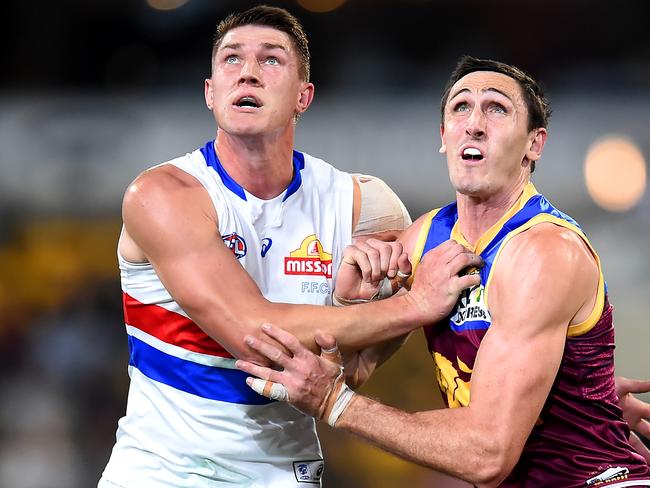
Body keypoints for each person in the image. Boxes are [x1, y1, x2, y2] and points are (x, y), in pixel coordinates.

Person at [97, 6, 484, 488]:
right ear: (210, 92)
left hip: (287, 471)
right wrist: (414, 304)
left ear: (304, 96)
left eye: (271, 60)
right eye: (232, 60)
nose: (249, 73)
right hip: (166, 472)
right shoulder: (162, 195)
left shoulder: (365, 206)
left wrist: (351, 316)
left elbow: (352, 369)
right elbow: (253, 332)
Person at [237, 56, 650, 487]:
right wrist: (348, 305)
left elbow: (487, 457)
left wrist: (335, 403)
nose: (474, 123)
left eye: (496, 108)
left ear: (535, 145)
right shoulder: (424, 238)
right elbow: (352, 370)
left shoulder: (543, 252)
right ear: (443, 137)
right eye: (460, 107)